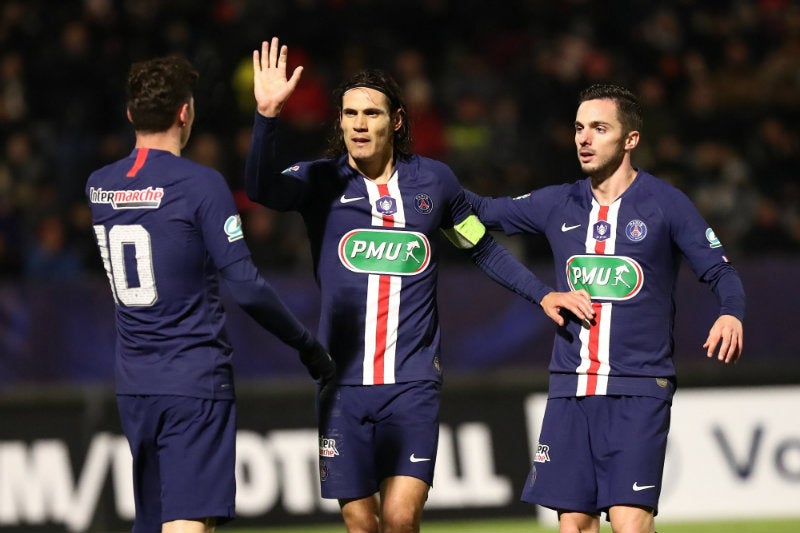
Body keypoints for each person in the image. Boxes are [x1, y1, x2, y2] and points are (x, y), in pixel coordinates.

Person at [244, 37, 583, 533]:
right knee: (363, 525)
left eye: (372, 113)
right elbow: (260, 189)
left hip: (413, 383)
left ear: (396, 121)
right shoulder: (321, 182)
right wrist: (267, 116)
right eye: (350, 113)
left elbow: (480, 245)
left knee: (401, 520)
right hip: (343, 384)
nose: (359, 124)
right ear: (339, 121)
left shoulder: (434, 184)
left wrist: (543, 293)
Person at [465, 83, 745, 533]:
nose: (584, 139)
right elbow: (476, 210)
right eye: (578, 128)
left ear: (630, 139)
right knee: (573, 523)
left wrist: (730, 312)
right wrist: (418, 175)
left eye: (599, 128)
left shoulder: (666, 204)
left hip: (639, 386)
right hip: (570, 387)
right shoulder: (558, 202)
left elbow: (721, 271)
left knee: (629, 523)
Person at [85, 55, 334, 533]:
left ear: (132, 114)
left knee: (155, 521)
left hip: (135, 384)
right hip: (193, 378)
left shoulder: (100, 187)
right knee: (188, 524)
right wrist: (307, 345)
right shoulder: (200, 185)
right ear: (186, 113)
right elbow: (245, 284)